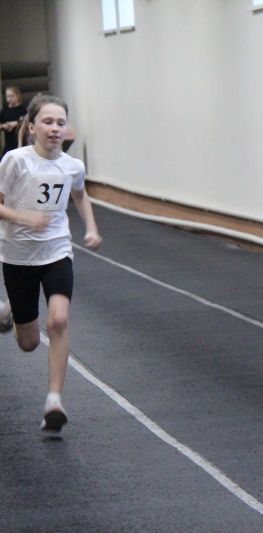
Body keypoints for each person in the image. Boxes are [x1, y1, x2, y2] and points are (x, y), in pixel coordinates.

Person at [0, 94, 102, 434]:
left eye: (61, 123)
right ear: (32, 127)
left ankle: (54, 401)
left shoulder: (72, 166)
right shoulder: (15, 161)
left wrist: (91, 228)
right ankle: (10, 312)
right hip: (17, 256)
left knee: (58, 319)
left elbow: (80, 195)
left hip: (57, 251)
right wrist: (24, 218)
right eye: (47, 122)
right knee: (28, 343)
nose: (55, 129)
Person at [1, 86, 26, 157]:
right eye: (7, 96)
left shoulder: (23, 110)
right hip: (8, 144)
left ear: (17, 96)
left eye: (12, 96)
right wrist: (4, 126)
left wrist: (16, 123)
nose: (9, 99)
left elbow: (28, 122)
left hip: (22, 143)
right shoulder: (4, 111)